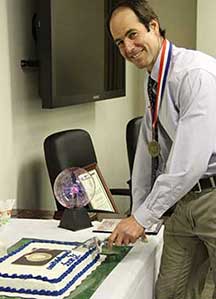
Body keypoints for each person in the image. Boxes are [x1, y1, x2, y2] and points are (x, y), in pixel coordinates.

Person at [107, 1, 216, 298]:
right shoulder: (155, 78)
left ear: (153, 26)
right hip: (185, 200)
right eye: (119, 42)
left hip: (212, 197)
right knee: (168, 291)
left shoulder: (194, 74)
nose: (127, 48)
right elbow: (147, 147)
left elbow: (188, 164)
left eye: (132, 34)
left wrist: (143, 218)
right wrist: (138, 210)